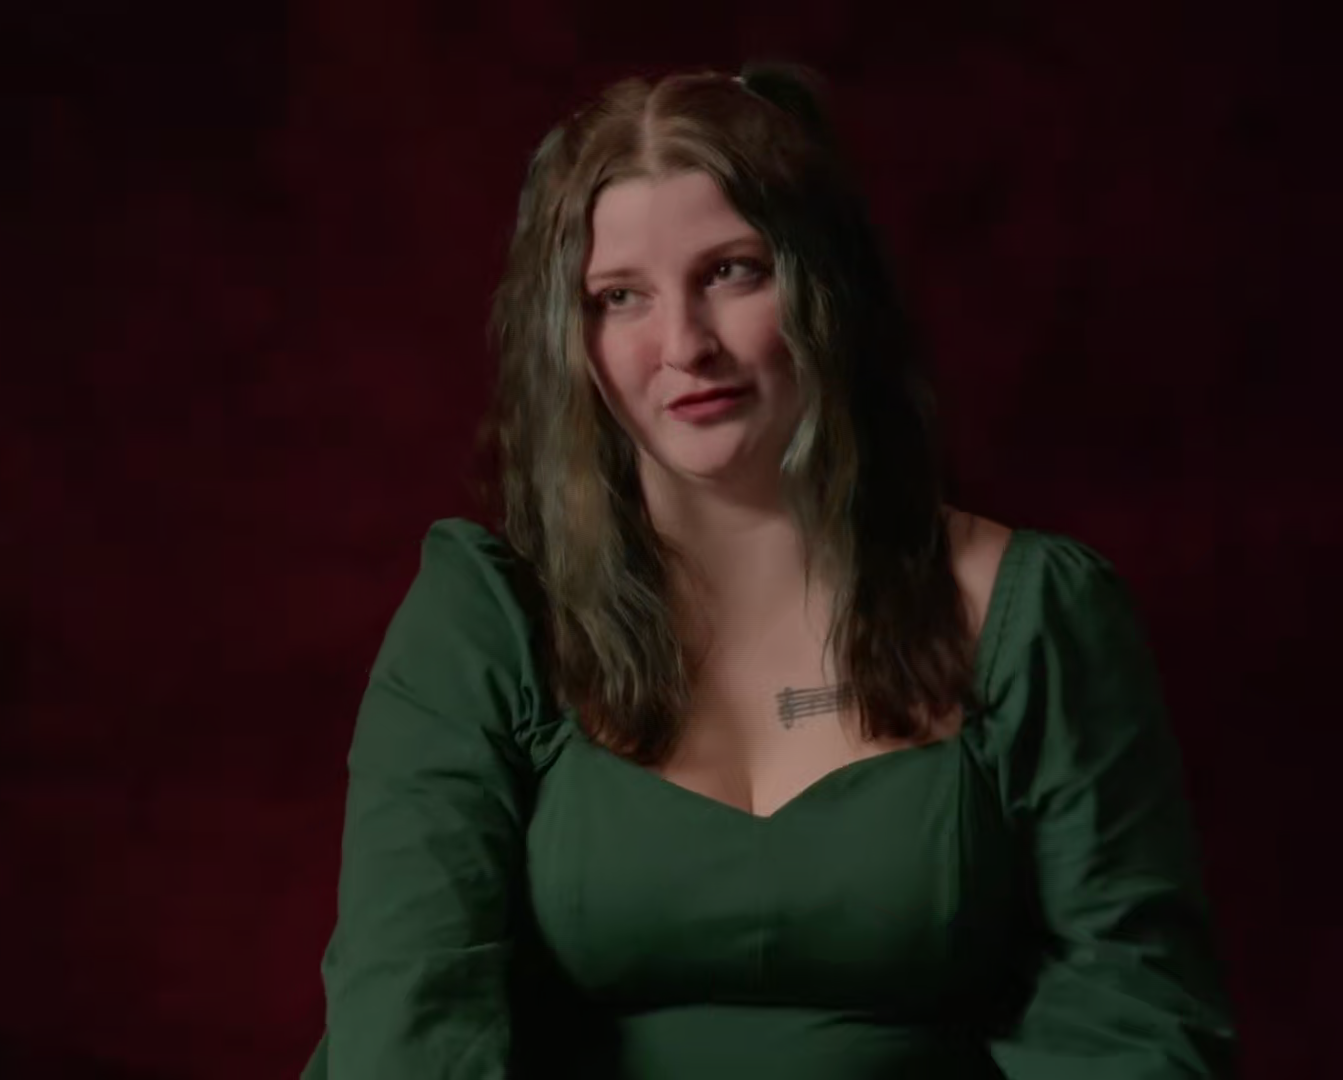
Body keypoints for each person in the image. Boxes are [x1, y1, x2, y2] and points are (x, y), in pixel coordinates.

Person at [301, 62, 1236, 1078]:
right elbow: (407, 1021)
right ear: (570, 338)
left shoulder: (1031, 610)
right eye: (619, 297)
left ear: (823, 285)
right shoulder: (488, 621)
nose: (683, 345)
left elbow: (1131, 1014)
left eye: (732, 272)